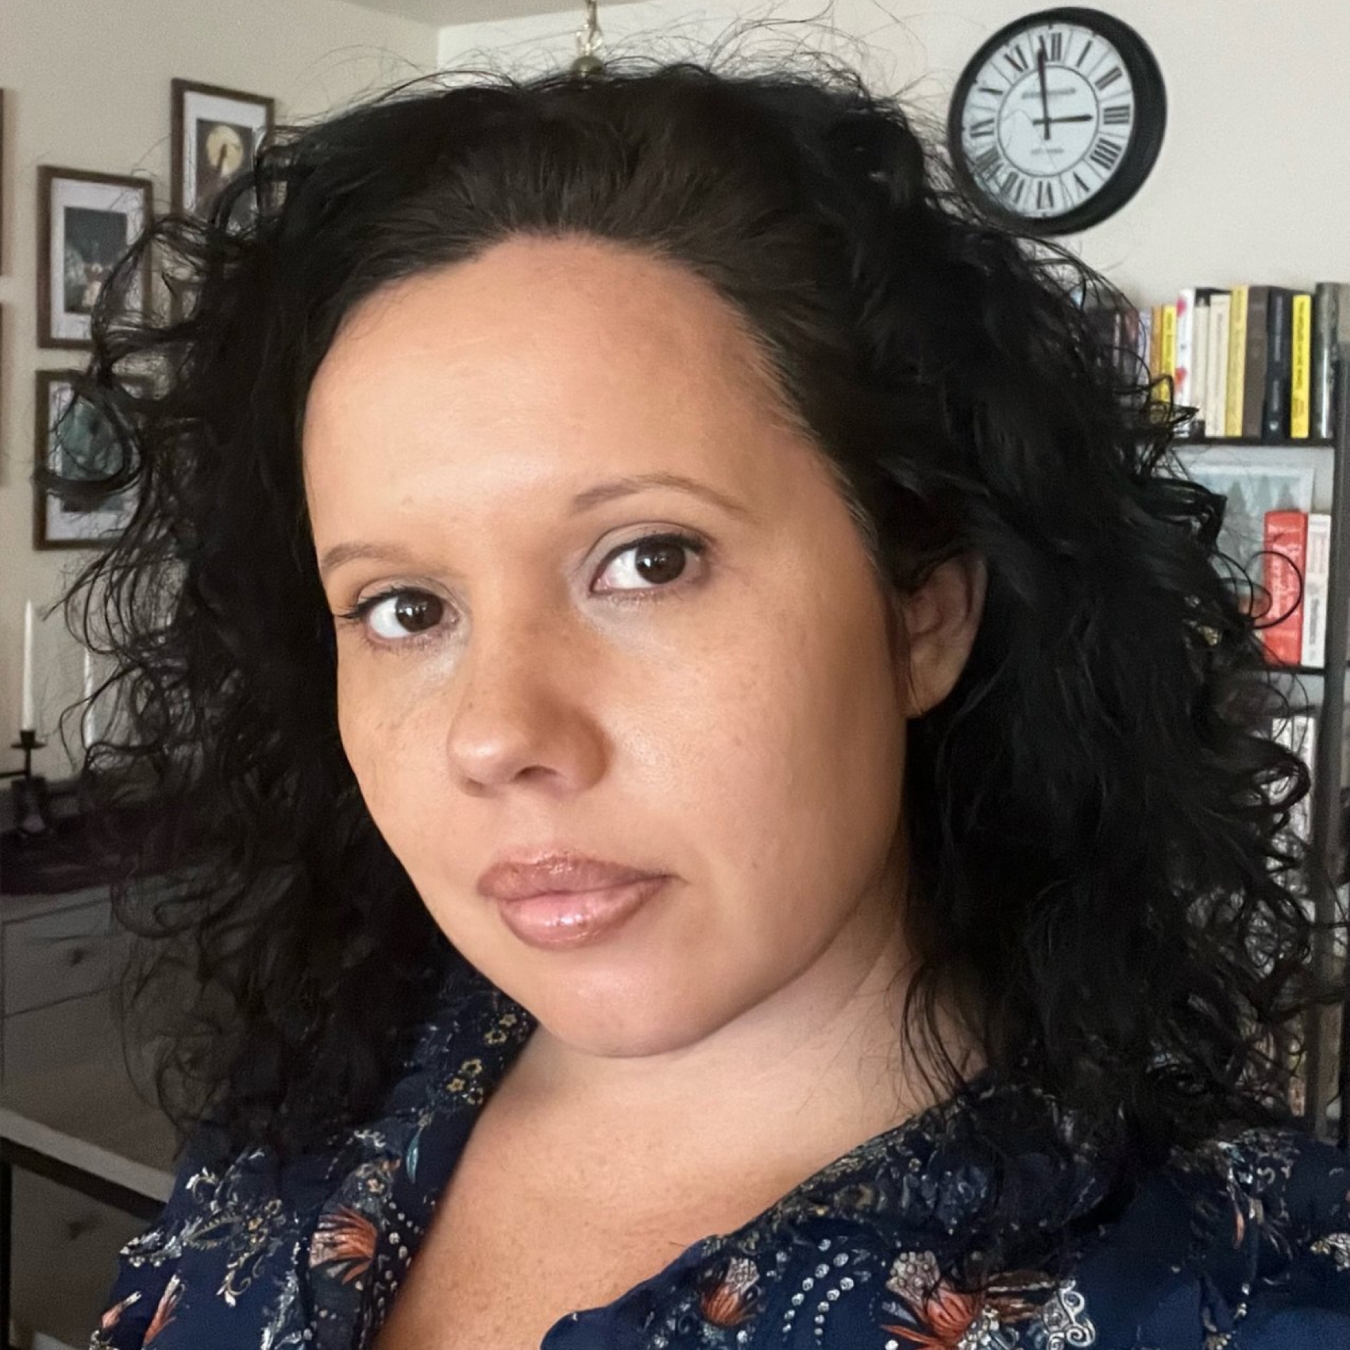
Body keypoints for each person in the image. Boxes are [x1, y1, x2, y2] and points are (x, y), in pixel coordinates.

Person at [44, 37, 1350, 1350]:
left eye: (648, 561)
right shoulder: (317, 1113)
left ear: (924, 610)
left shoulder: (1224, 1301)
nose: (497, 732)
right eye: (406, 608)